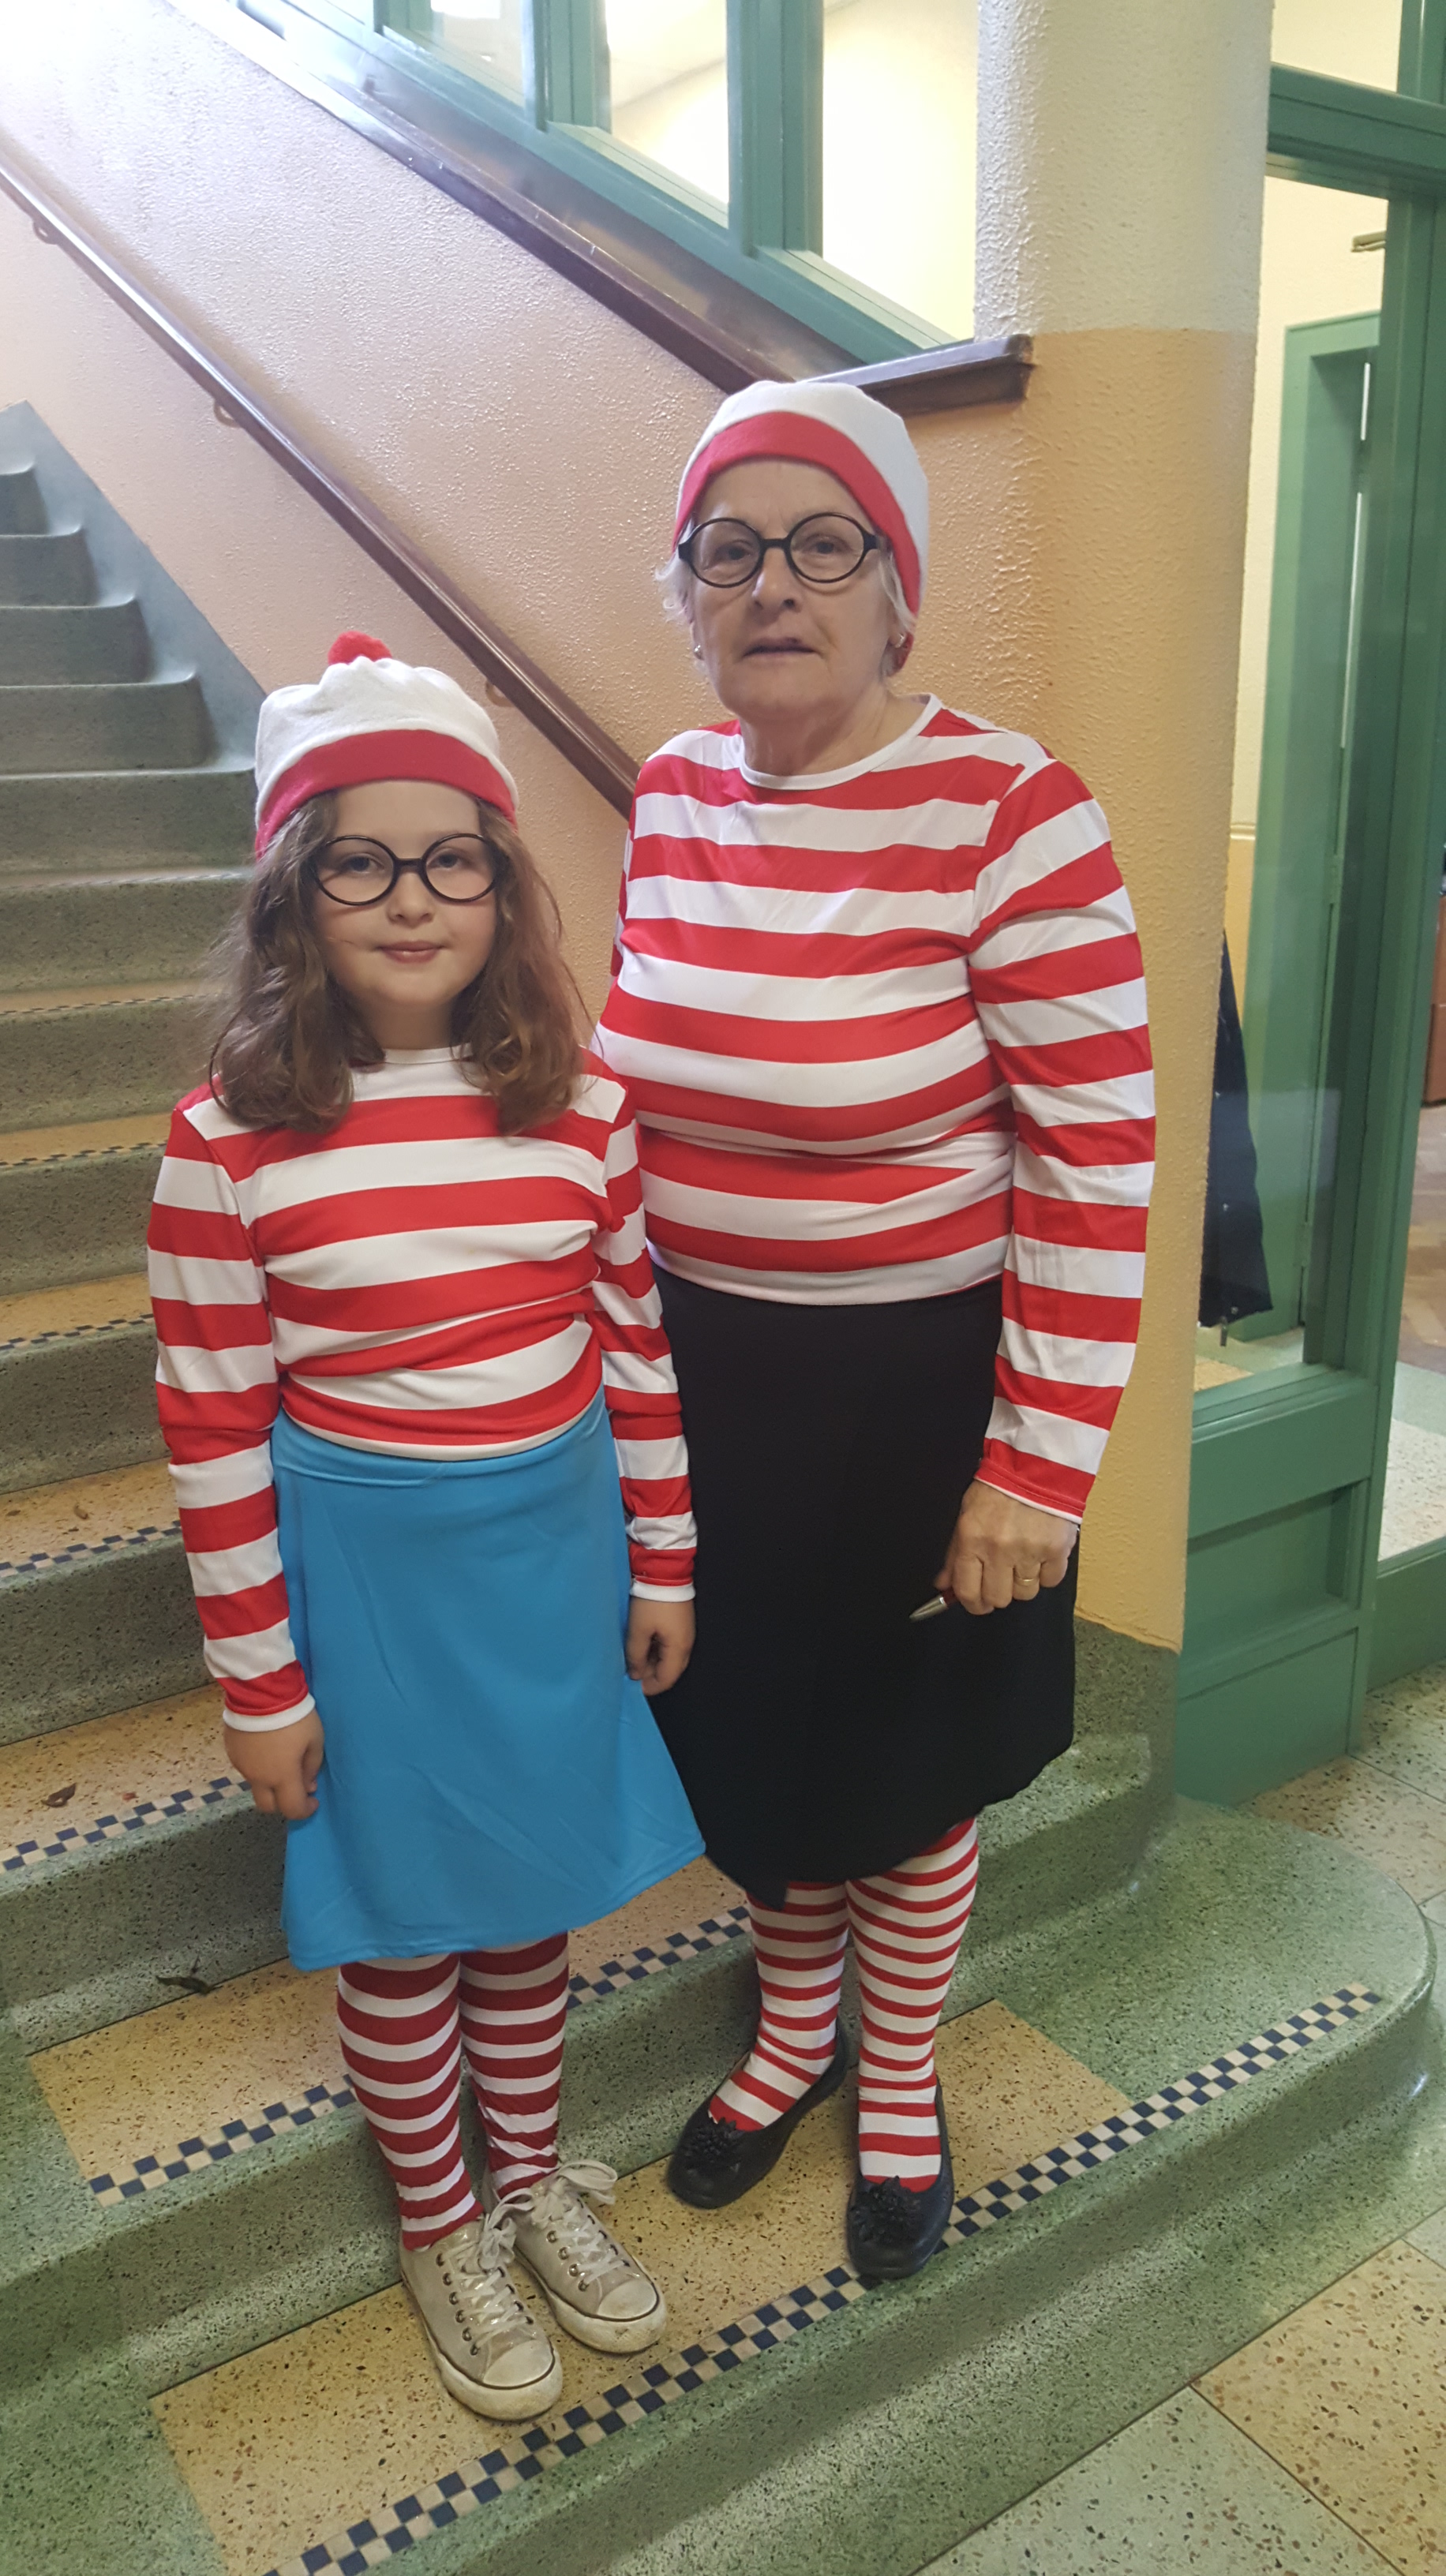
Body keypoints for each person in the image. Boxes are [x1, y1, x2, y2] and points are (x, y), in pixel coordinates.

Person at [594, 380, 1155, 2283]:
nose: (773, 584)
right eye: (728, 548)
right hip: (709, 1381)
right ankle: (787, 2036)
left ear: (896, 590)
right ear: (686, 593)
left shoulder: (1011, 809)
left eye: (823, 543)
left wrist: (1038, 1468)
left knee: (905, 1767)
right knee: (757, 1734)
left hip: (920, 1389)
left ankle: (892, 2075)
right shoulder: (674, 792)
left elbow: (1096, 1160)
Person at [148, 634, 703, 2417]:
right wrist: (261, 1686)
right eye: (359, 862)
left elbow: (633, 1346)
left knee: (527, 1901)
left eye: (451, 857)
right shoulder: (227, 1141)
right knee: (401, 1918)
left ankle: (528, 2174)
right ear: (291, 897)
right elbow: (213, 1429)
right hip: (366, 1591)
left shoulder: (584, 1106)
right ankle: (440, 2218)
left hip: (552, 1566)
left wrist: (667, 1562)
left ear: (503, 885)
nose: (410, 897)